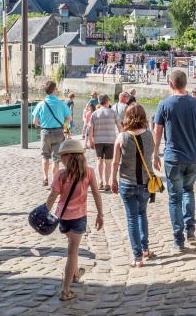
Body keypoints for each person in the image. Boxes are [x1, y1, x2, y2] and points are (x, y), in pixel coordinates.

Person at [153, 70, 196, 252]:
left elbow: (157, 132)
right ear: (185, 83)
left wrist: (155, 154)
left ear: (170, 84)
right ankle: (190, 230)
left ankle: (178, 239)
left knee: (174, 198)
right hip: (193, 156)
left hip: (173, 158)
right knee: (189, 191)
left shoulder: (164, 105)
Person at [45, 139, 103, 301]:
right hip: (78, 217)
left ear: (70, 156)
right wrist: (100, 214)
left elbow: (53, 196)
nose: (61, 159)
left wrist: (45, 211)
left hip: (62, 218)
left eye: (62, 156)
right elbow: (97, 194)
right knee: (72, 252)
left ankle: (76, 274)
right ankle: (65, 290)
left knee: (72, 247)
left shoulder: (60, 175)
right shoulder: (89, 172)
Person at [110, 104, 156, 267]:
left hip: (127, 183)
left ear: (127, 117)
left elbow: (115, 162)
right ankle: (145, 249)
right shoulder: (150, 135)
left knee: (131, 219)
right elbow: (150, 155)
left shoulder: (122, 137)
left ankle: (137, 257)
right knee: (142, 215)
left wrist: (112, 179)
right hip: (145, 183)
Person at [33, 81, 72, 187]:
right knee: (56, 159)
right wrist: (64, 125)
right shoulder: (61, 103)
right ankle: (55, 181)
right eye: (56, 89)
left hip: (45, 132)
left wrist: (44, 125)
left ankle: (45, 178)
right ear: (54, 90)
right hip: (59, 132)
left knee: (45, 156)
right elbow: (69, 118)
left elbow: (35, 122)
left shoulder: (41, 104)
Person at [89, 94, 122, 190]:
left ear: (99, 102)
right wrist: (122, 138)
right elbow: (120, 127)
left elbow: (91, 129)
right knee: (108, 162)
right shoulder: (113, 112)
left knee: (99, 161)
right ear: (107, 101)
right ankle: (107, 183)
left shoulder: (94, 114)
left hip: (98, 141)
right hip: (111, 141)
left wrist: (91, 140)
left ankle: (100, 182)